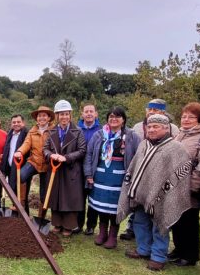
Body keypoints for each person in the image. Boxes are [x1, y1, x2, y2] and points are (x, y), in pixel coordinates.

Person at [118, 113, 193, 271]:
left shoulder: (176, 148)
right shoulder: (144, 145)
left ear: (166, 128)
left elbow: (182, 173)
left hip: (164, 196)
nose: (151, 129)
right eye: (149, 126)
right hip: (141, 194)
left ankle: (158, 256)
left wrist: (166, 191)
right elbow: (134, 167)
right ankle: (143, 249)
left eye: (156, 127)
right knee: (140, 222)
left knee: (160, 225)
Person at [84, 106, 141, 249]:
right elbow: (89, 154)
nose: (113, 119)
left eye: (117, 116)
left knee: (115, 207)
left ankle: (113, 235)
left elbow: (139, 157)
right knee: (102, 206)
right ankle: (102, 232)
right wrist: (89, 174)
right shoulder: (99, 135)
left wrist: (133, 177)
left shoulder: (132, 136)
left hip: (120, 177)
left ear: (123, 120)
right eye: (111, 116)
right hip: (100, 175)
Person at [169, 102, 200, 266]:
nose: (186, 119)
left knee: (189, 221)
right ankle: (178, 249)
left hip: (190, 185)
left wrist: (194, 186)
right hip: (174, 185)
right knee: (176, 219)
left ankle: (190, 256)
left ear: (199, 119)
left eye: (191, 117)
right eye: (184, 116)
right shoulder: (179, 134)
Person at [43, 100, 87, 236]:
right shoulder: (51, 131)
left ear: (70, 115)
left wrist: (66, 158)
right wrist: (51, 155)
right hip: (55, 169)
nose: (64, 117)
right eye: (61, 114)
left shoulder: (78, 131)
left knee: (69, 199)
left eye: (66, 114)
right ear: (57, 116)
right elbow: (45, 149)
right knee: (55, 197)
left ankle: (68, 226)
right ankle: (57, 224)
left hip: (71, 170)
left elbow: (82, 150)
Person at [14, 105, 55, 210]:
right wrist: (19, 151)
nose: (41, 118)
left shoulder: (54, 130)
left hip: (48, 164)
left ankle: (41, 216)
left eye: (44, 115)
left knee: (44, 193)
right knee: (21, 175)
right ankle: (21, 204)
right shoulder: (32, 131)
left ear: (49, 118)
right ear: (36, 118)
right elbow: (26, 143)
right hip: (34, 162)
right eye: (39, 116)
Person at [77, 103, 101, 235]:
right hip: (78, 169)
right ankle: (78, 224)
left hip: (95, 169)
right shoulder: (76, 129)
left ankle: (91, 225)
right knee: (79, 197)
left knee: (93, 198)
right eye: (86, 111)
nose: (89, 114)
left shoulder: (102, 130)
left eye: (91, 111)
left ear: (96, 114)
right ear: (82, 114)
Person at [0, 114, 28, 202]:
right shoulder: (9, 134)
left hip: (21, 166)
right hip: (10, 166)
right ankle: (14, 208)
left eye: (18, 122)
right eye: (14, 122)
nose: (16, 124)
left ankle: (22, 210)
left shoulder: (27, 134)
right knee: (12, 189)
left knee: (21, 194)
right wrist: (4, 156)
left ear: (23, 123)